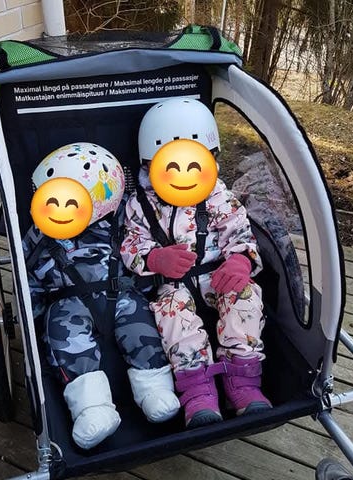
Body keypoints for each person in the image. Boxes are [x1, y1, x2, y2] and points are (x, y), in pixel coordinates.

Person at [120, 98, 272, 429]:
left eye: (194, 164)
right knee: (172, 313)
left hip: (217, 276)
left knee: (245, 295)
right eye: (170, 166)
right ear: (149, 165)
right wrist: (154, 257)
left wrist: (240, 260)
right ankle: (198, 390)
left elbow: (240, 232)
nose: (184, 175)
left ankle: (243, 381)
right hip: (173, 285)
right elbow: (130, 245)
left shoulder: (218, 196)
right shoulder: (140, 204)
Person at [23, 142, 179, 450]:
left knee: (142, 329)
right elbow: (27, 272)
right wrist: (34, 312)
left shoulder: (122, 219)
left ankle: (155, 389)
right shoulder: (39, 234)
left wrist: (149, 284)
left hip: (122, 294)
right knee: (64, 340)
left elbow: (142, 247)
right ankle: (92, 408)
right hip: (66, 301)